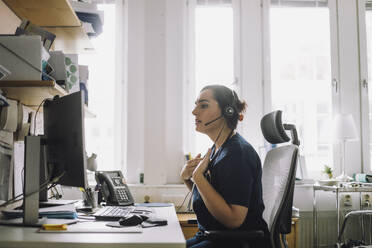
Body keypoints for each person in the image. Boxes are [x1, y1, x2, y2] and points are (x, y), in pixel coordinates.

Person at [180, 85, 270, 248]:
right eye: (196, 105)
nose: (194, 112)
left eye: (203, 105)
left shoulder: (237, 154)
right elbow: (213, 199)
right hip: (213, 237)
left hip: (236, 243)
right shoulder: (218, 149)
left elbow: (234, 219)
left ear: (227, 112)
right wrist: (189, 179)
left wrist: (198, 178)